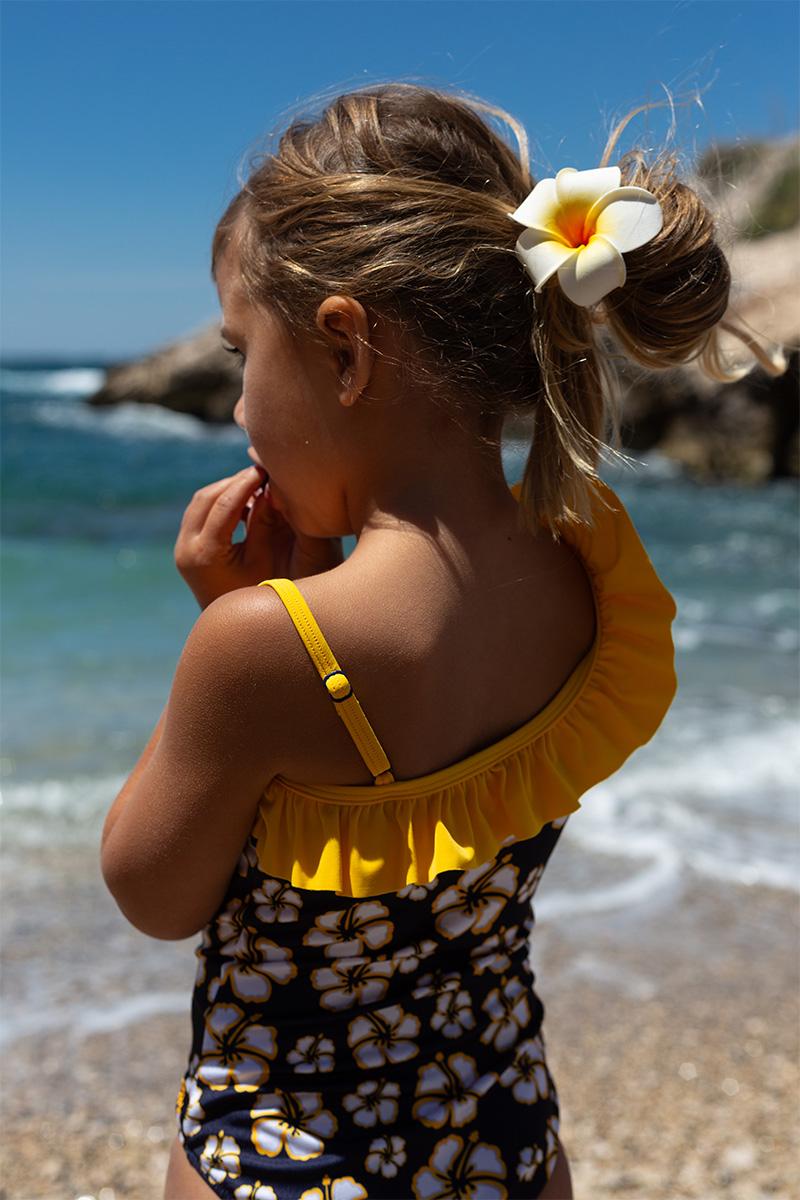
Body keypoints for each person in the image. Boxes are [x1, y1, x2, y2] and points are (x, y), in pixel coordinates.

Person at [100, 83, 784, 1200]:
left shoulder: (262, 646)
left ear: (345, 351)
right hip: (503, 1139)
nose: (237, 410)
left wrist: (229, 619)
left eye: (238, 357)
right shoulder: (585, 570)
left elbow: (152, 892)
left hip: (286, 1160)